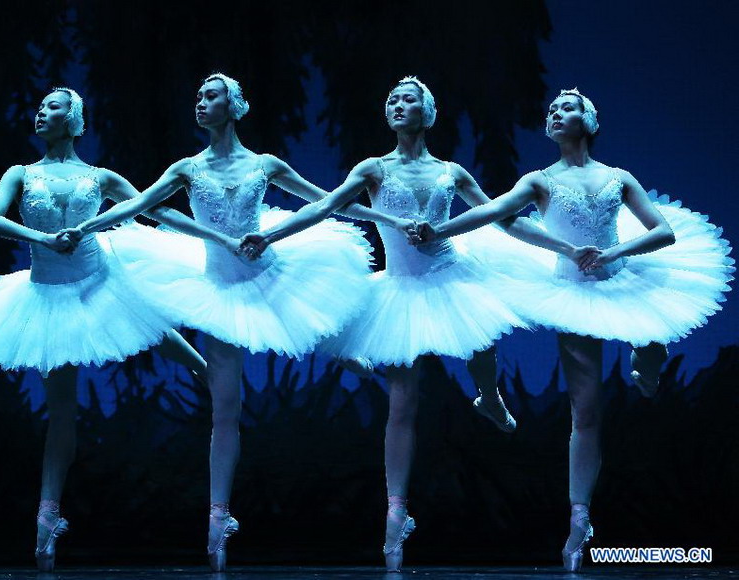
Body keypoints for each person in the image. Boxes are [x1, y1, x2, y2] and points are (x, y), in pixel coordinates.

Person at [238, 77, 594, 571]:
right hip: (401, 287)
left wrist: (566, 248)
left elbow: (502, 217)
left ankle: (489, 399)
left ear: (427, 114)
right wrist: (274, 235)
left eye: (408, 100)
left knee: (481, 344)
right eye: (392, 100)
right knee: (403, 402)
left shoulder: (451, 171)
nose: (398, 105)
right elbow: (325, 205)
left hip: (451, 274)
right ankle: (396, 513)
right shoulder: (373, 168)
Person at [62, 73, 404, 571]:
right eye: (197, 96)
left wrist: (393, 222)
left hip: (271, 273)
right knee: (226, 409)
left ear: (235, 106)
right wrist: (87, 226)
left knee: (331, 338)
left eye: (211, 95)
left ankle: (375, 369)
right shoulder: (186, 167)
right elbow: (139, 205)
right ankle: (218, 517)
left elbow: (327, 200)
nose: (200, 103)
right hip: (216, 287)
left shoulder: (265, 165)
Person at [416, 88, 734, 571]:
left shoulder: (618, 176)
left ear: (590, 120)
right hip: (574, 292)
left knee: (653, 348)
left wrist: (613, 253)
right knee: (585, 412)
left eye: (567, 108)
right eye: (552, 111)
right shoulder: (539, 180)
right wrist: (442, 229)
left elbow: (663, 231)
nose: (557, 114)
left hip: (622, 275)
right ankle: (579, 519)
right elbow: (493, 211)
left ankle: (644, 369)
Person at [0, 88, 209, 572]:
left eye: (52, 107)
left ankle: (208, 375)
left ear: (75, 118)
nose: (41, 113)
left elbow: (153, 208)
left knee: (147, 322)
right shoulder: (21, 174)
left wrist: (211, 235)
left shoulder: (101, 176)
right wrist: (43, 237)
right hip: (47, 296)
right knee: (62, 412)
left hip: (97, 278)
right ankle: (47, 519)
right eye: (40, 108)